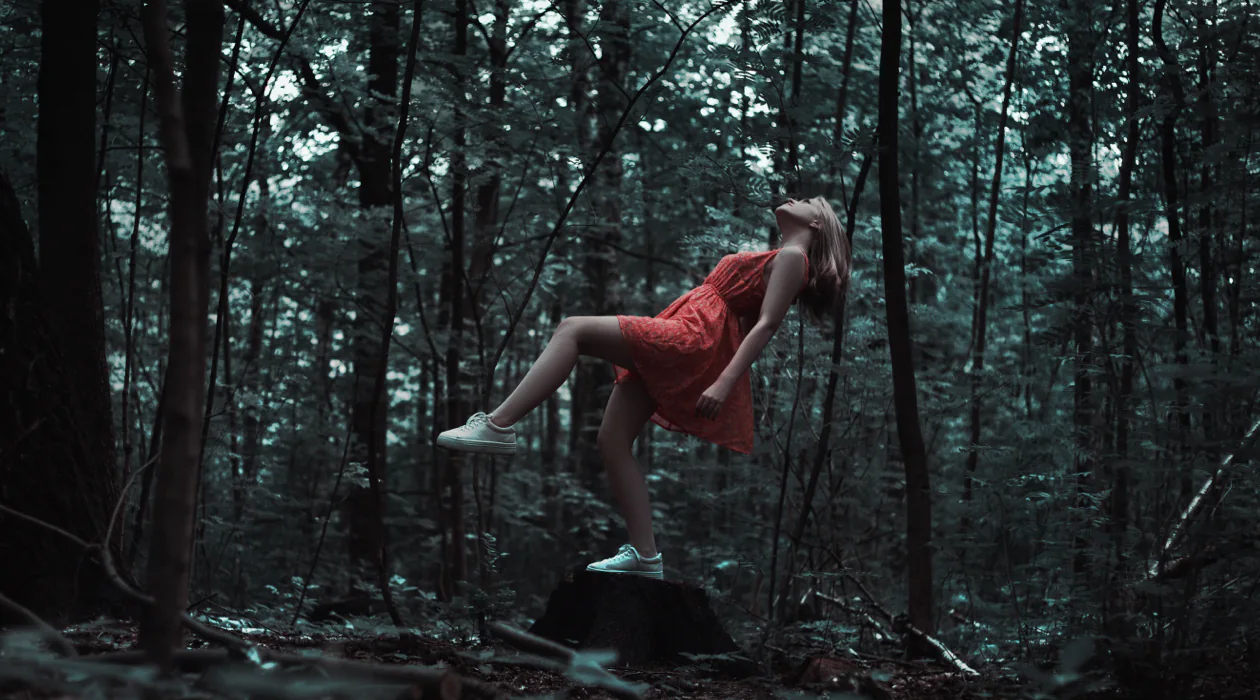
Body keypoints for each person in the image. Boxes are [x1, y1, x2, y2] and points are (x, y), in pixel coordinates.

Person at [436, 196, 852, 579]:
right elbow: (746, 319)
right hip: (691, 330)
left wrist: (724, 381)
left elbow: (766, 324)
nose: (794, 199)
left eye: (806, 200)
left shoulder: (795, 257)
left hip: (693, 337)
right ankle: (646, 557)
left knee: (573, 329)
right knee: (613, 438)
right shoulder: (784, 255)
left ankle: (499, 425)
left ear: (817, 220)